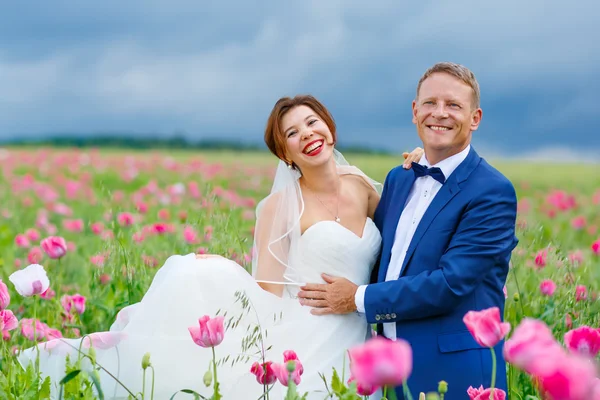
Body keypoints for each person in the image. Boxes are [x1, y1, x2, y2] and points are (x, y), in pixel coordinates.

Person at [17, 95, 424, 399]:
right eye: (292, 134)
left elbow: (402, 235)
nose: (308, 135)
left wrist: (419, 164)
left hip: (355, 331)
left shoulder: (365, 187)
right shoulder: (280, 206)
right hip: (304, 334)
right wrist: (217, 272)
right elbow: (264, 293)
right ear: (285, 153)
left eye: (312, 122)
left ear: (329, 126)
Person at [297, 62, 519, 399]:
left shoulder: (492, 191)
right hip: (392, 372)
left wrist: (355, 298)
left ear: (475, 118)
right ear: (415, 112)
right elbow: (375, 254)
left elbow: (449, 284)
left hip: (458, 376)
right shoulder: (400, 178)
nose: (439, 113)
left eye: (454, 105)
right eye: (430, 103)